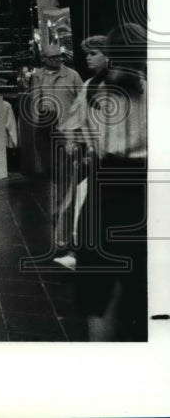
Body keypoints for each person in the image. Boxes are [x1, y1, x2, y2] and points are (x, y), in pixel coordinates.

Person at [67, 29, 147, 341]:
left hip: (104, 184)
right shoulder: (154, 90)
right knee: (140, 274)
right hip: (144, 186)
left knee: (98, 280)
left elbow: (73, 134)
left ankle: (102, 353)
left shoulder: (90, 90)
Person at [26, 43, 83, 261]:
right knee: (51, 169)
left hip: (65, 126)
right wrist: (36, 120)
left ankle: (62, 209)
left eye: (60, 57)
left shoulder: (72, 75)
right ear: (44, 59)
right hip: (45, 125)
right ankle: (61, 206)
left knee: (64, 170)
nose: (58, 60)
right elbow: (34, 99)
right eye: (53, 57)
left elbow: (81, 100)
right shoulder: (38, 76)